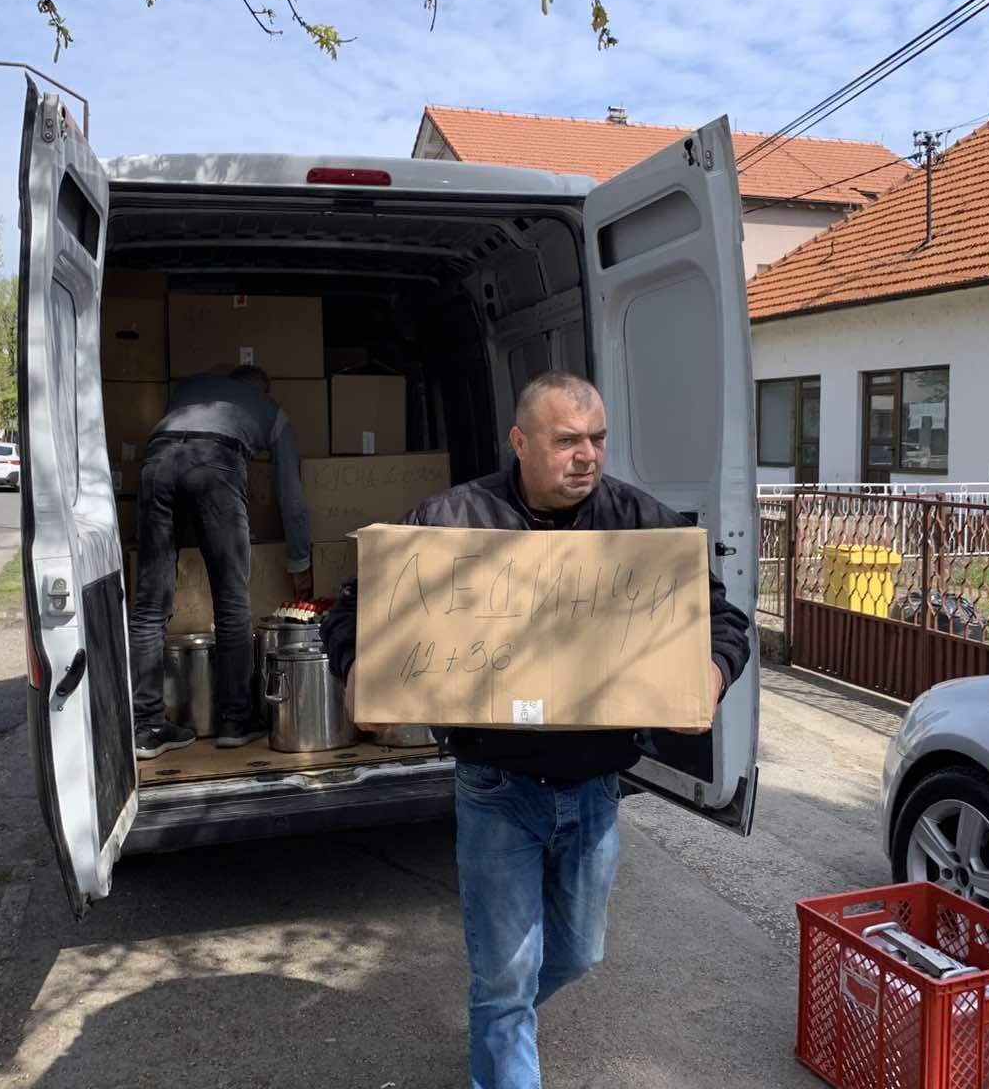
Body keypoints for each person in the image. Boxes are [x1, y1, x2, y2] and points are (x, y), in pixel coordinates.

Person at [320, 371, 751, 1089]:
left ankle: (499, 1020)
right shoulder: (452, 521)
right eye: (566, 441)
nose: (587, 456)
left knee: (578, 955)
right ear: (520, 442)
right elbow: (352, 610)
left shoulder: (641, 527)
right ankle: (501, 1026)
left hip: (595, 789)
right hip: (497, 787)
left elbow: (723, 621)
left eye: (598, 439)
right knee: (505, 978)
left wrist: (709, 674)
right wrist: (360, 668)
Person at [130, 365, 313, 759]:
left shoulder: (191, 387)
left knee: (149, 607)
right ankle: (235, 720)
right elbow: (291, 497)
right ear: (265, 390)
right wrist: (300, 563)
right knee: (231, 603)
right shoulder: (271, 412)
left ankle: (147, 727)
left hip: (156, 461)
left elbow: (179, 449)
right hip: (215, 464)